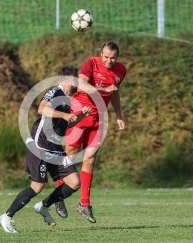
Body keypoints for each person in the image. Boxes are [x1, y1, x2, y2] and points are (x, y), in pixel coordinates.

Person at [0, 66, 92, 233]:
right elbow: (41, 109)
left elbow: (67, 124)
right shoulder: (55, 92)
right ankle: (6, 217)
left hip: (55, 147)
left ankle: (43, 206)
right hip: (40, 146)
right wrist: (63, 115)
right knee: (37, 186)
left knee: (74, 182)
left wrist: (81, 116)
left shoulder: (68, 98)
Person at [55, 42, 127, 223]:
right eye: (106, 57)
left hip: (100, 118)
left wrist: (119, 115)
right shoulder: (91, 63)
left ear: (117, 57)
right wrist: (105, 89)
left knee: (90, 159)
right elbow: (80, 86)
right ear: (101, 53)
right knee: (70, 154)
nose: (109, 61)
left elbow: (115, 93)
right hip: (79, 112)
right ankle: (59, 196)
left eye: (113, 58)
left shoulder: (121, 70)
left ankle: (84, 204)